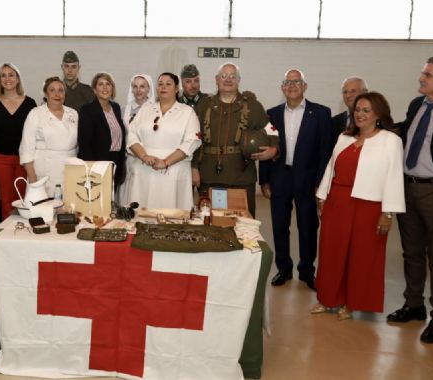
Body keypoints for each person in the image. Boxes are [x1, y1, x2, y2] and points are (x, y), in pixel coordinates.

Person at [313, 91, 405, 321]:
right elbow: (330, 169)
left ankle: (353, 303)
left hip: (369, 206)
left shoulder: (390, 140)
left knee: (362, 256)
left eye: (366, 110)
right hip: (338, 203)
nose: (360, 115)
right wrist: (322, 195)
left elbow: (394, 177)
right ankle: (328, 299)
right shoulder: (344, 137)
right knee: (331, 252)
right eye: (357, 110)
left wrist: (388, 213)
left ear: (378, 114)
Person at [387, 54, 433, 344]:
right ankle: (414, 305)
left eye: (428, 74)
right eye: (422, 73)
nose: (421, 78)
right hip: (407, 188)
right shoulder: (417, 105)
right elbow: (406, 131)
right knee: (411, 252)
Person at [259, 69, 332, 289]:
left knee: (308, 226)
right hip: (280, 177)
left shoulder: (320, 113)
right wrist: (264, 180)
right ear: (282, 87)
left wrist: (321, 182)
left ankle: (307, 270)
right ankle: (284, 269)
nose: (292, 86)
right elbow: (266, 148)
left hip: (308, 180)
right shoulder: (271, 114)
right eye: (287, 82)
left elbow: (325, 151)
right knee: (280, 226)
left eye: (297, 82)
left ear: (305, 86)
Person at [192, 62, 279, 217]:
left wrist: (273, 149)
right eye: (224, 76)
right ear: (216, 79)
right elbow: (193, 138)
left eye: (233, 76)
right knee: (209, 221)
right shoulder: (204, 105)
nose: (228, 79)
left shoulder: (252, 105)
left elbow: (271, 130)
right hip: (209, 174)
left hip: (242, 176)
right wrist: (193, 168)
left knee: (243, 223)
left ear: (239, 80)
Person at [121, 72, 201, 209]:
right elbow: (132, 135)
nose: (163, 87)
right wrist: (144, 156)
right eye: (160, 84)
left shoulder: (187, 112)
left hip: (173, 170)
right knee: (141, 214)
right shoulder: (146, 109)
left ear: (177, 89)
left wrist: (165, 162)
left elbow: (192, 141)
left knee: (170, 213)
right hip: (144, 168)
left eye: (168, 84)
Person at [0, 63, 36, 220]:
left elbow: (34, 135)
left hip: (24, 160)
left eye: (11, 74)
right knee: (6, 200)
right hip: (1, 159)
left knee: (23, 199)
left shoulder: (30, 103)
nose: (7, 78)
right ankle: (7, 236)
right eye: (3, 75)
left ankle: (23, 233)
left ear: (18, 79)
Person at [19, 76, 78, 196]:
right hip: (44, 172)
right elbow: (26, 149)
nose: (57, 94)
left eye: (60, 90)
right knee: (45, 209)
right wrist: (34, 182)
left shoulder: (73, 114)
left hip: (70, 170)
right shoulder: (36, 114)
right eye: (52, 90)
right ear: (45, 94)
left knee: (69, 209)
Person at [77, 72, 126, 189]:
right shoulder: (87, 109)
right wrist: (93, 168)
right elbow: (84, 144)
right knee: (97, 203)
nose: (105, 87)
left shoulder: (116, 107)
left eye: (108, 84)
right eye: (100, 84)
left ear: (112, 88)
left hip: (115, 162)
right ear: (94, 89)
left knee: (110, 202)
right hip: (97, 163)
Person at [332, 76, 368, 148]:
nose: (348, 95)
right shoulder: (333, 122)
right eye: (345, 92)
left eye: (353, 91)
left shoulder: (373, 119)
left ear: (365, 93)